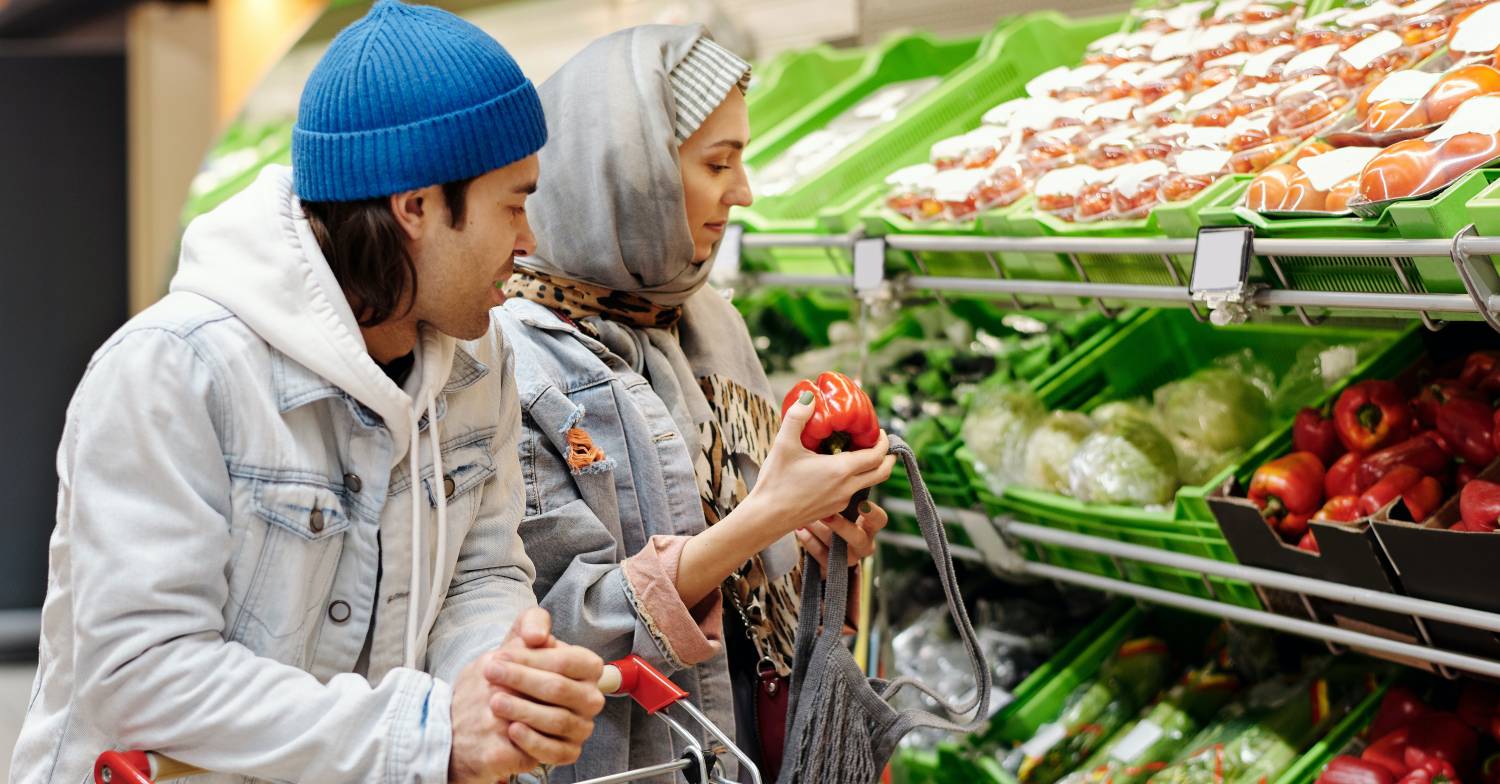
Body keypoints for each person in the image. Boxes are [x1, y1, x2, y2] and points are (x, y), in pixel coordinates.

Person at [11, 2, 606, 782]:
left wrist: (500, 682)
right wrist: (427, 735)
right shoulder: (172, 370)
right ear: (417, 206)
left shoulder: (477, 359)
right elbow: (139, 674)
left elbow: (482, 571)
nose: (529, 240)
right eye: (514, 203)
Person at [494, 25, 894, 782]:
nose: (742, 192)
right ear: (628, 171)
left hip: (765, 740)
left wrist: (818, 547)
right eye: (717, 164)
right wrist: (762, 520)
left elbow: (759, 589)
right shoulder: (513, 361)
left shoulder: (707, 319)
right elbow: (557, 633)